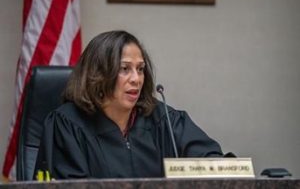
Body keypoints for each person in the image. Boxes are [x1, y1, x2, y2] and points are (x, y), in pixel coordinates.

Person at [34, 30, 223, 179]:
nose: (136, 79)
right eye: (125, 69)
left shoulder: (163, 119)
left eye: (140, 69)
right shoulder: (68, 124)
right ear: (97, 74)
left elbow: (214, 163)